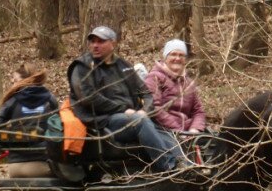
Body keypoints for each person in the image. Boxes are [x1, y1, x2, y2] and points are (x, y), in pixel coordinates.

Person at [68, 26, 186, 171]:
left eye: (101, 41)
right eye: (92, 41)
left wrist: (146, 110)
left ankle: (186, 166)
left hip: (131, 117)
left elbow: (145, 92)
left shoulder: (123, 65)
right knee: (139, 122)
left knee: (163, 130)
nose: (95, 45)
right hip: (102, 121)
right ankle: (169, 167)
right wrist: (124, 110)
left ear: (113, 43)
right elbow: (88, 98)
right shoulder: (82, 67)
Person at [0, 64, 58, 178]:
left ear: (27, 80)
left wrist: (9, 143)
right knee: (71, 176)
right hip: (43, 165)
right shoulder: (50, 99)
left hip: (15, 168)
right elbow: (59, 129)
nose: (12, 83)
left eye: (15, 80)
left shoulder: (11, 101)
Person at [144, 39, 207, 134]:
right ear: (165, 57)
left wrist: (194, 130)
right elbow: (155, 108)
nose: (177, 58)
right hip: (163, 131)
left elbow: (198, 111)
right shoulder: (154, 78)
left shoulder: (189, 83)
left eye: (181, 55)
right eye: (173, 54)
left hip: (188, 131)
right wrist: (179, 131)